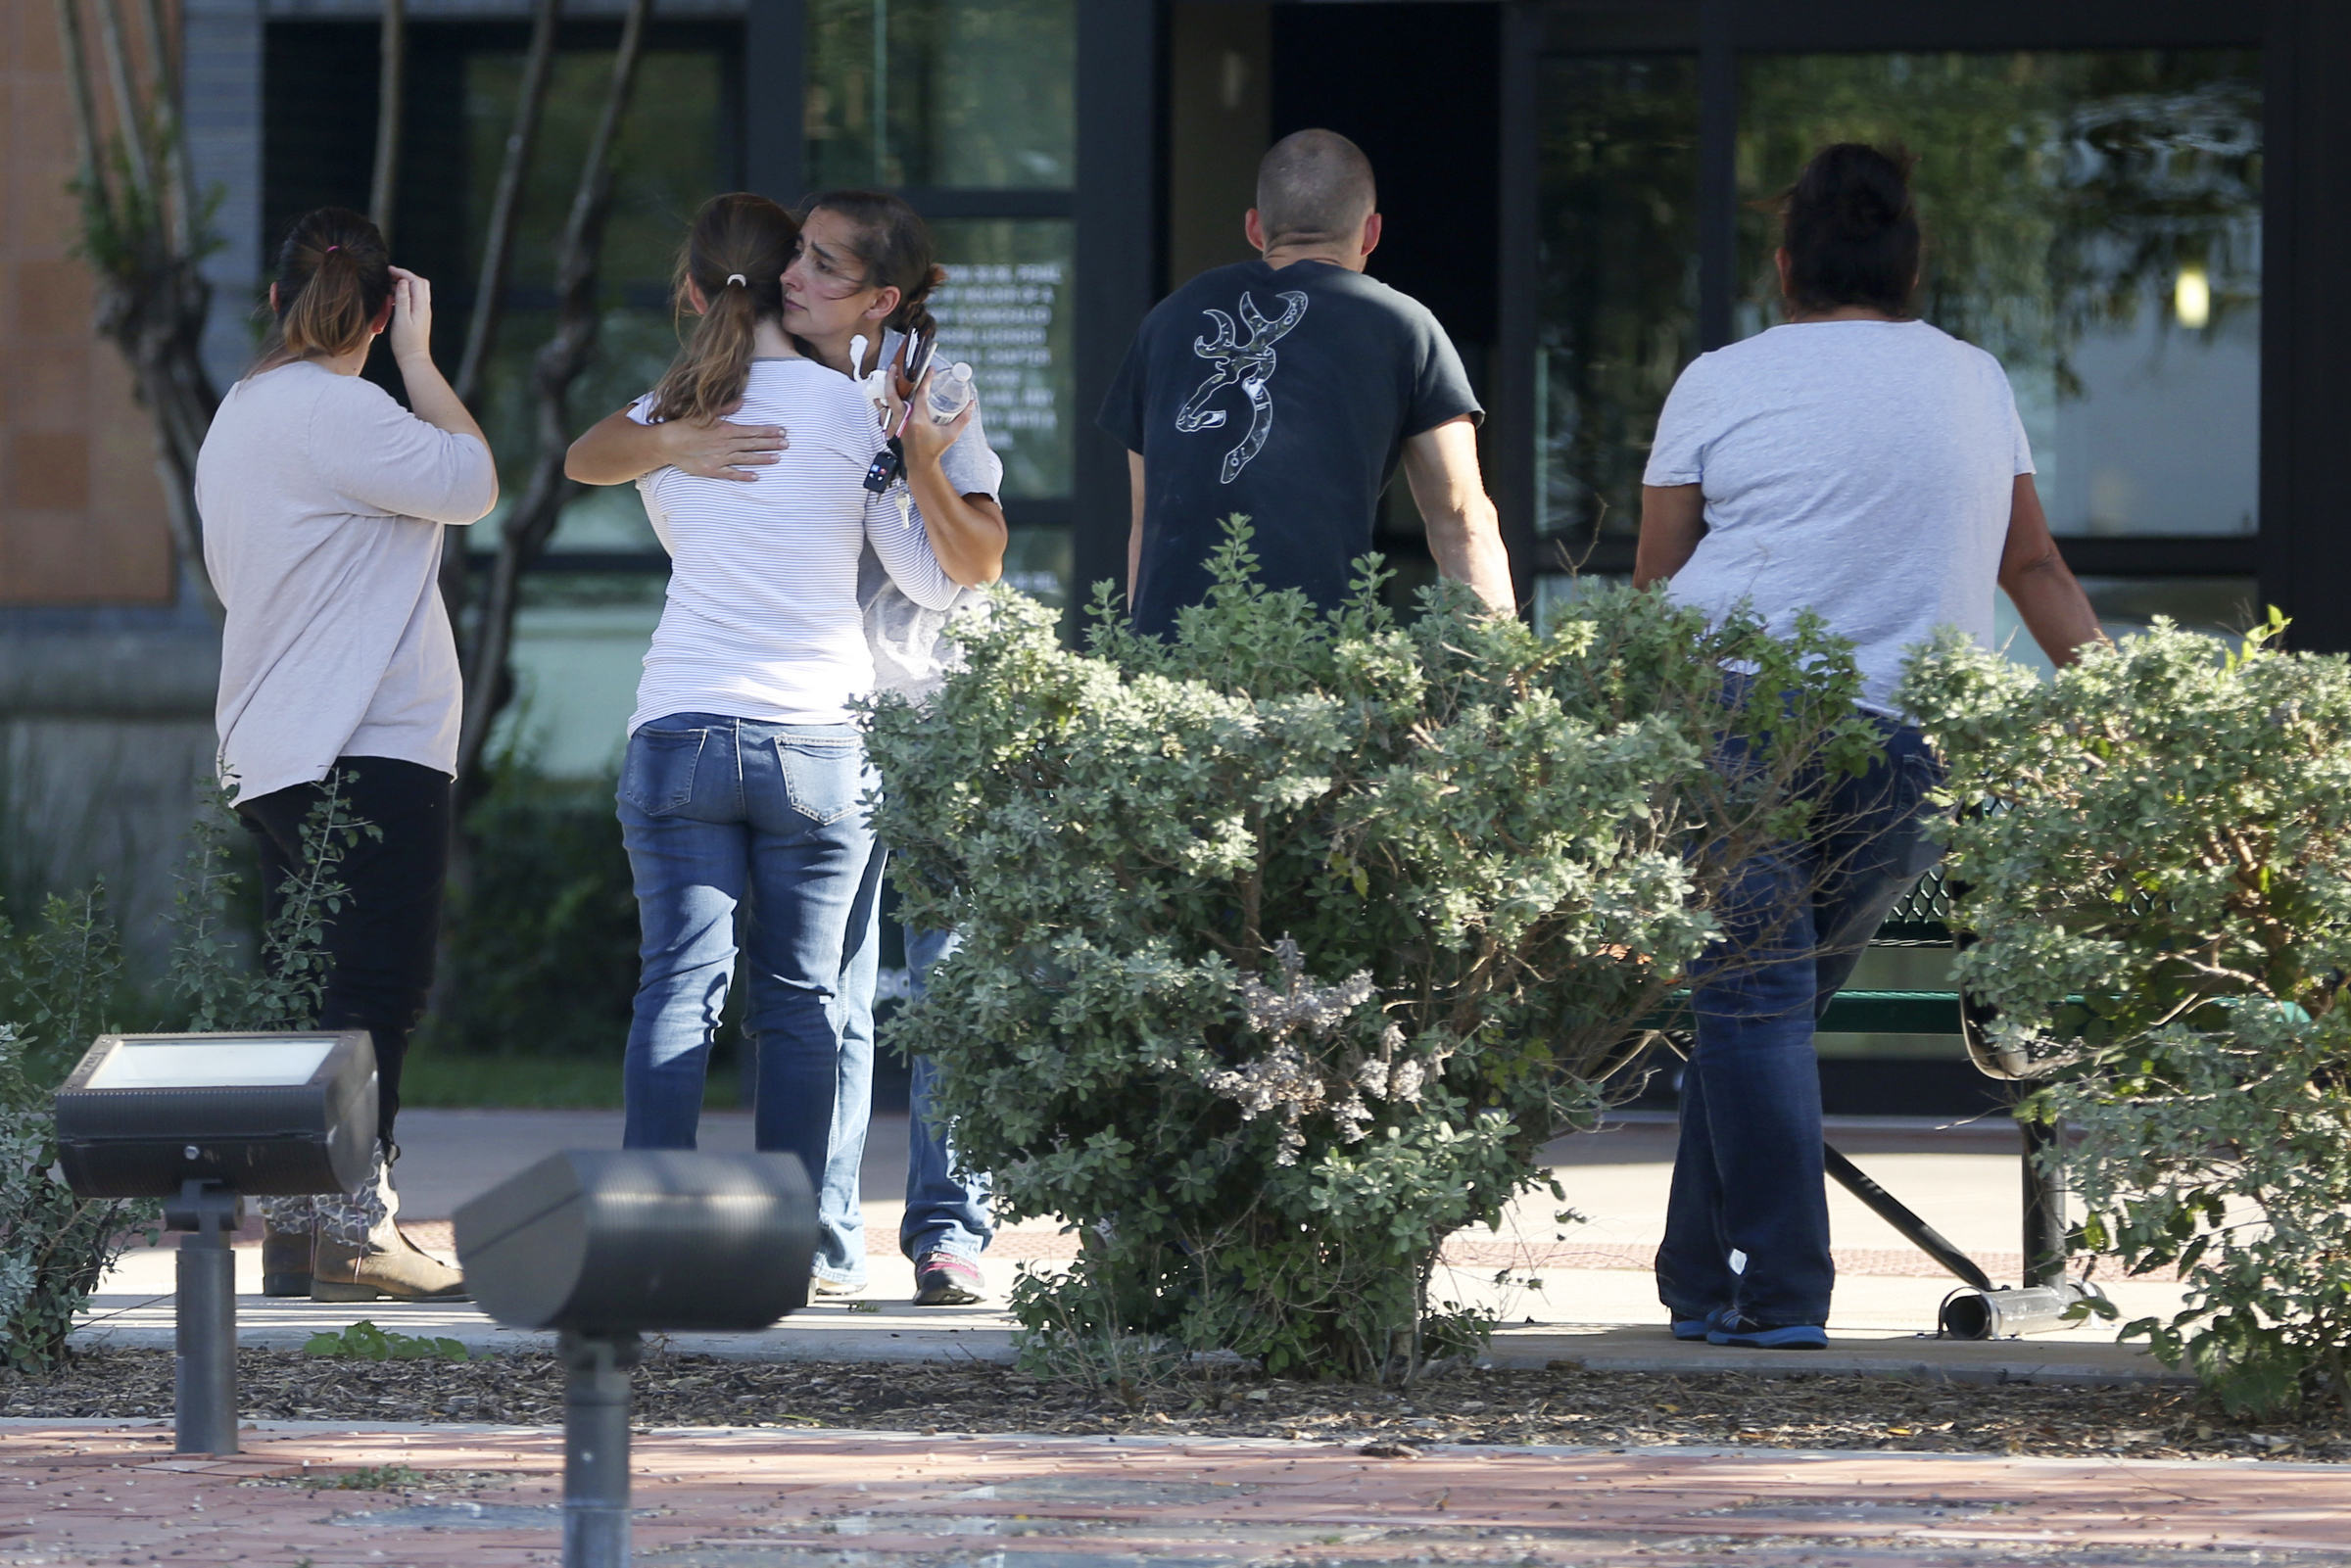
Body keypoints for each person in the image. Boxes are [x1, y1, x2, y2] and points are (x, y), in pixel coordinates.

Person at [1633, 143, 2105, 1351]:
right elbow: (2033, 564)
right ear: (1909, 268)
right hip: (1900, 732)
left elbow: (1658, 573)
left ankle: (1781, 1298)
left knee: (1753, 1003)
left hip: (1735, 712)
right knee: (1762, 1003)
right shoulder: (1974, 379)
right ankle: (1696, 1276)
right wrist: (2117, 713)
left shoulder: (1720, 379)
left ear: (1786, 266)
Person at [562, 192, 995, 1305]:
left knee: (681, 990)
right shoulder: (850, 416)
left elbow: (587, 458)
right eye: (794, 258)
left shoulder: (700, 402)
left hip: (703, 723)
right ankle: (796, 1246)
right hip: (819, 737)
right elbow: (932, 571)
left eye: (826, 263)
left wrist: (678, 441)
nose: (802, 276)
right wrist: (888, 461)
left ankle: (651, 1238)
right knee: (806, 1002)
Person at [197, 206, 498, 1302]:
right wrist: (417, 358)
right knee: (374, 988)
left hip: (272, 746)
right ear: (380, 310)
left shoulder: (239, 413)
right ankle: (357, 1228)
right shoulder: (354, 415)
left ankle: (297, 1224)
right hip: (370, 742)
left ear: (275, 301)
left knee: (307, 983)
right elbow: (474, 479)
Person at [1100, 128, 1514, 633]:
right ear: (1371, 233)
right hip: (1314, 665)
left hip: (1174, 665)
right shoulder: (1402, 325)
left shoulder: (1167, 323)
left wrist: (1143, 665)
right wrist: (1500, 679)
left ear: (1255, 228)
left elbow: (1147, 524)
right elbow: (1463, 522)